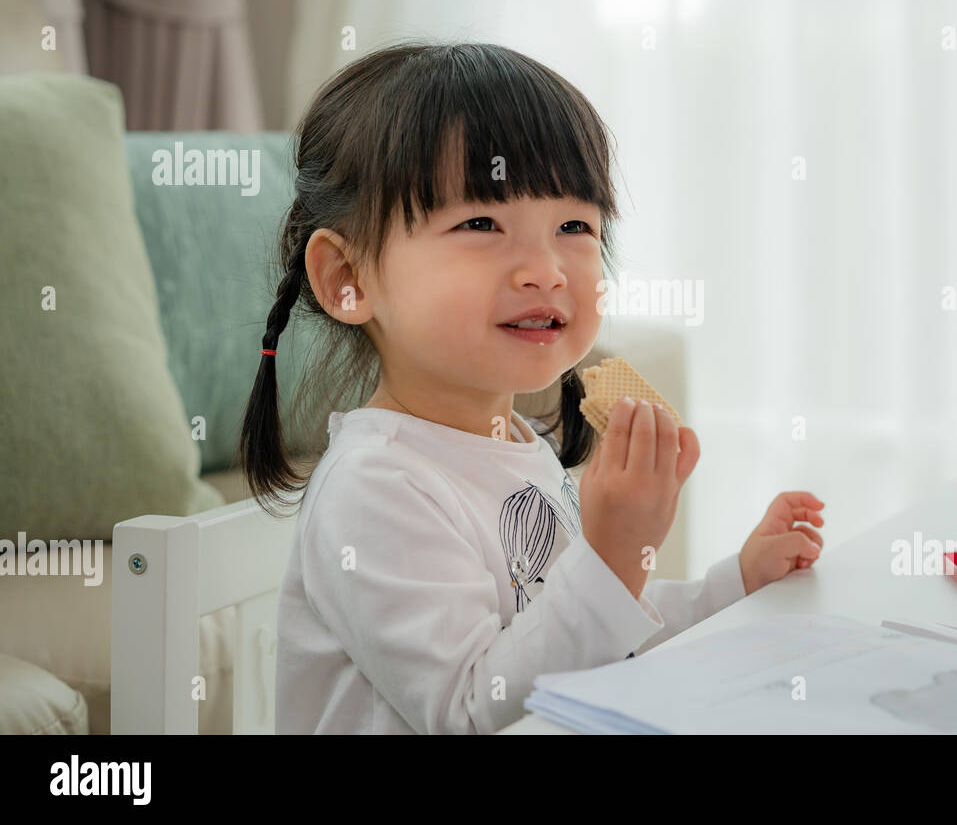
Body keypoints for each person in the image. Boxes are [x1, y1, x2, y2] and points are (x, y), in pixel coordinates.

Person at [236, 41, 827, 734]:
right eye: (481, 223)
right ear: (348, 277)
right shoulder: (376, 488)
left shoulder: (515, 444)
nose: (545, 269)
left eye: (574, 225)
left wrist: (733, 587)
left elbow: (582, 637)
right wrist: (609, 556)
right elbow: (472, 711)